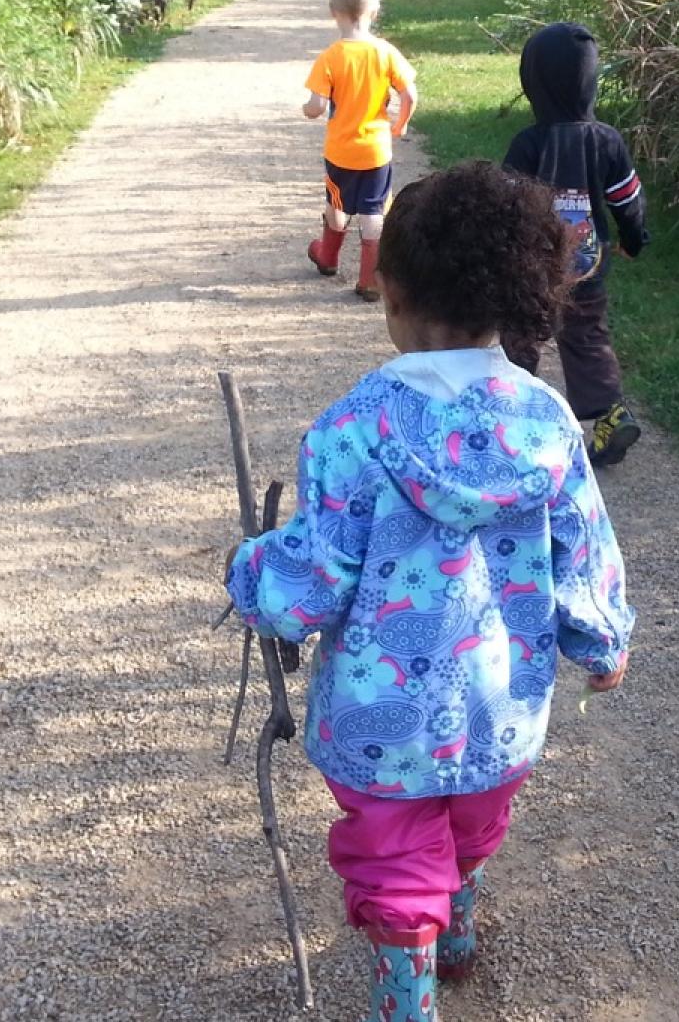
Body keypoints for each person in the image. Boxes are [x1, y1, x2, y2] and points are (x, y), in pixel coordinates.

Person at [226, 161, 634, 1022]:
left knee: (396, 859)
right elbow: (584, 545)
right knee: (475, 820)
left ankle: (407, 993)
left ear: (397, 297)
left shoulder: (352, 428)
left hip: (383, 720)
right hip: (500, 702)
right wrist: (601, 638)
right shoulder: (544, 420)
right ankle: (458, 919)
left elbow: (310, 583)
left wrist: (250, 571)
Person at [502, 21, 651, 467]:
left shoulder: (529, 143)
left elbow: (507, 204)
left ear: (534, 82)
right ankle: (610, 415)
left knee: (522, 333)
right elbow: (627, 200)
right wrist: (634, 239)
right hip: (588, 261)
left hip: (534, 265)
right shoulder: (607, 140)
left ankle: (513, 420)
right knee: (586, 336)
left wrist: (500, 253)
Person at [302, 0, 418, 302]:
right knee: (374, 210)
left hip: (341, 151)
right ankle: (369, 280)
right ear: (375, 10)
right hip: (376, 151)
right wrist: (401, 123)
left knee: (336, 203)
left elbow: (317, 105)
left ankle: (327, 257)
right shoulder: (385, 52)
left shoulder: (330, 58)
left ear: (332, 12)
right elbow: (409, 94)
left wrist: (308, 110)